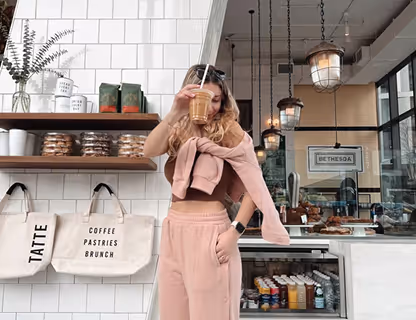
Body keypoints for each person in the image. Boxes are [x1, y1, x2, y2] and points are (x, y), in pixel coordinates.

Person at [143, 64, 289, 320]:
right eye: (203, 99)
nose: (211, 108)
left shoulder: (229, 131)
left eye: (217, 100)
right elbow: (149, 150)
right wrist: (175, 112)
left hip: (211, 232)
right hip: (174, 231)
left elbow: (256, 187)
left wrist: (235, 231)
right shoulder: (178, 129)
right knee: (173, 314)